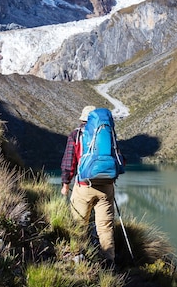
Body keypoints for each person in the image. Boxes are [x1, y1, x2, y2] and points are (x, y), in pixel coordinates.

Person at [61, 105, 116, 266]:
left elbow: (68, 161)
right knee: (105, 226)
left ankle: (80, 259)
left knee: (79, 223)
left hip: (84, 185)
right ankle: (109, 261)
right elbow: (119, 158)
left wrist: (65, 183)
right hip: (107, 186)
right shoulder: (108, 134)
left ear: (83, 119)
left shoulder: (76, 135)